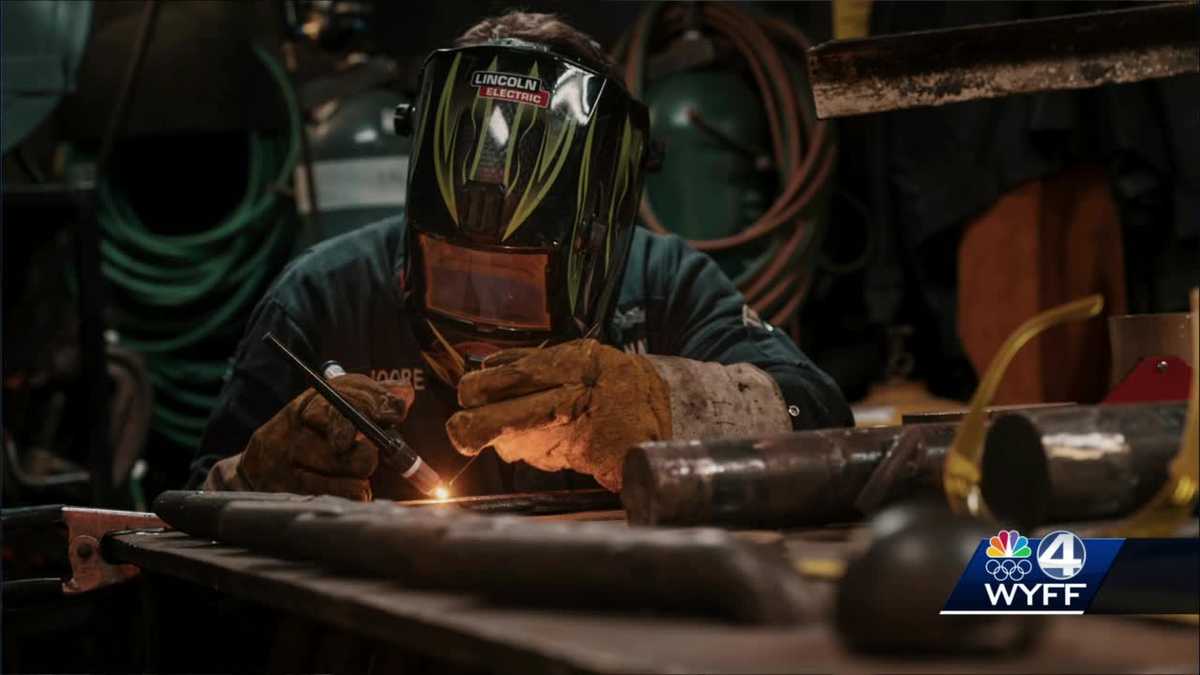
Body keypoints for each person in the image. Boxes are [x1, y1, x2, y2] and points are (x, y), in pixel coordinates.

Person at [192, 12, 853, 500]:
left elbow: (820, 418)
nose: (481, 329)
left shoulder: (664, 285)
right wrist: (252, 478)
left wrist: (667, 403)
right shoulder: (321, 298)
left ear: (594, 254)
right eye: (454, 275)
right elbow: (188, 527)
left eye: (514, 288)